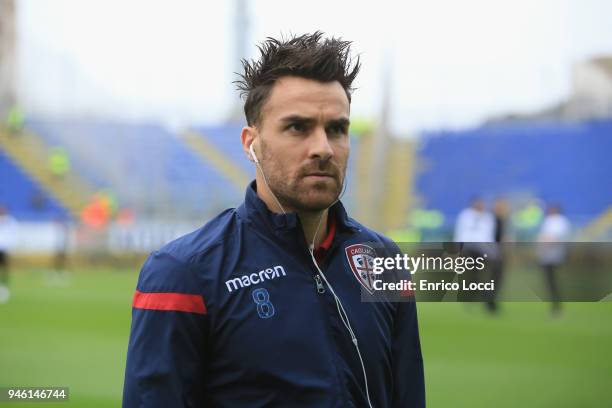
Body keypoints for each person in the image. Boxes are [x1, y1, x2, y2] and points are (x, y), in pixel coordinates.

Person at [123, 32, 425, 407]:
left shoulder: (383, 262)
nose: (323, 149)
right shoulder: (183, 273)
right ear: (252, 143)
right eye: (297, 127)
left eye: (337, 129)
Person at [453, 197, 495, 302]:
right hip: (469, 247)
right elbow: (460, 232)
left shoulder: (487, 217)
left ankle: (480, 294)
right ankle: (472, 295)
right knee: (471, 274)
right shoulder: (465, 215)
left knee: (482, 274)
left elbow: (489, 235)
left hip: (483, 249)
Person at [537, 204, 571, 315]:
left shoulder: (560, 221)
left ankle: (557, 304)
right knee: (550, 281)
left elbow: (555, 238)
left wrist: (545, 242)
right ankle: (555, 303)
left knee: (554, 281)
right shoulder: (548, 221)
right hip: (547, 255)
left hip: (555, 255)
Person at [0, 206, 18, 304]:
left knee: (4, 270)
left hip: (4, 249)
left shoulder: (10, 221)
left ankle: (4, 289)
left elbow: (13, 234)